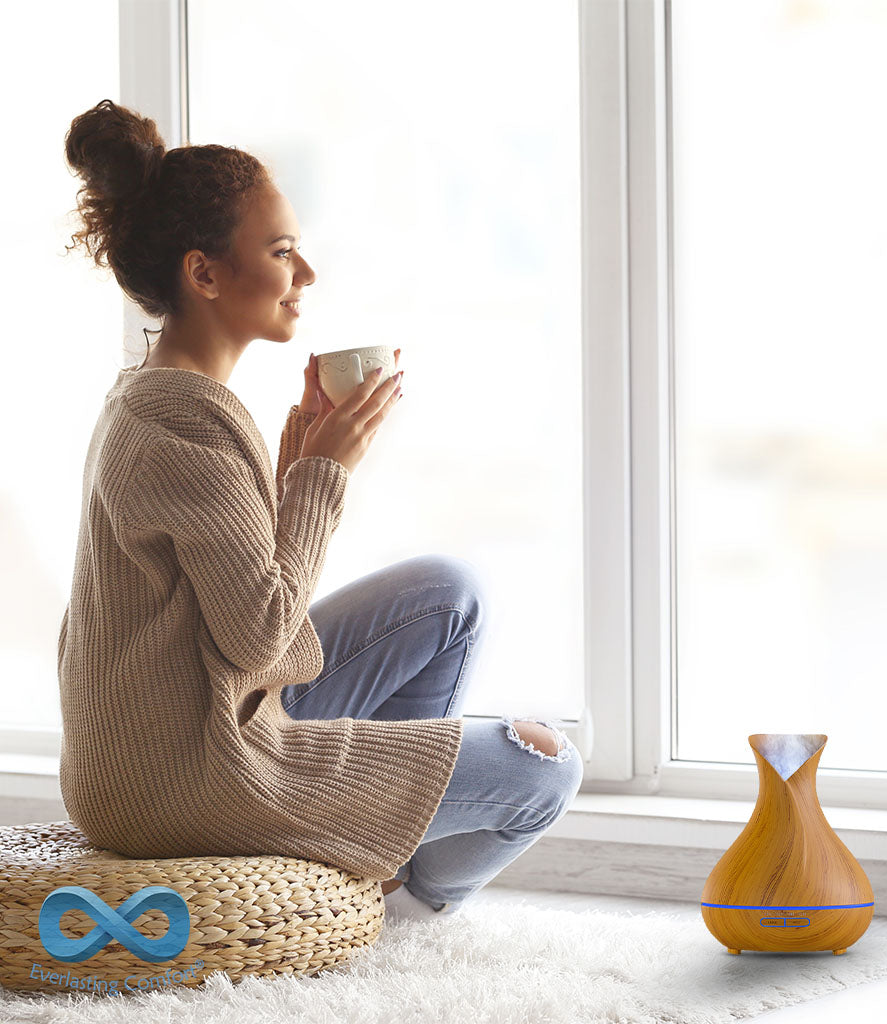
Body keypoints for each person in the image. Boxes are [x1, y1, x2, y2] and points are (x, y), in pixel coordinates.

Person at [58, 98, 584, 922]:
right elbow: (263, 635)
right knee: (544, 767)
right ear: (204, 274)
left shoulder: (160, 398)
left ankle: (372, 866)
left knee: (449, 595)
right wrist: (319, 479)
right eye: (282, 252)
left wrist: (295, 464)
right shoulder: (181, 423)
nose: (306, 276)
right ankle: (404, 911)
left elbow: (225, 604)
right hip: (187, 775)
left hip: (183, 724)